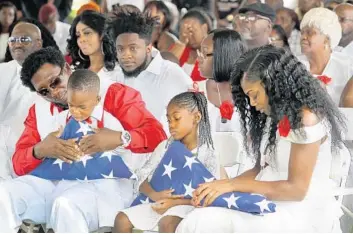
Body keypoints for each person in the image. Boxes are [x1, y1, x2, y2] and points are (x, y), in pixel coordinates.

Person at [176, 45, 346, 233]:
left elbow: (297, 190)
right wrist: (220, 188)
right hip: (265, 198)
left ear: (275, 85)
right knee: (197, 218)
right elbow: (260, 169)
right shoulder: (274, 116)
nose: (253, 103)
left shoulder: (307, 119)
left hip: (295, 210)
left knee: (203, 222)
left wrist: (230, 185)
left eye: (254, 95)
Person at [0, 47, 166, 232]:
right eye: (44, 91)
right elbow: (18, 163)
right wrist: (39, 150)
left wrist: (121, 138)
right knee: (3, 194)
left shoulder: (111, 93)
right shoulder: (38, 111)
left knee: (66, 205)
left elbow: (157, 135)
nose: (53, 92)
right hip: (54, 182)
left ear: (66, 69)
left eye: (55, 82)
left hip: (106, 184)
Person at [114, 91, 227, 233]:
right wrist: (155, 195)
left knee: (167, 223)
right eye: (168, 120)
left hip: (190, 206)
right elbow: (141, 178)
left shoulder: (208, 152)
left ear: (196, 117)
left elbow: (210, 194)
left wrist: (174, 202)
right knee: (121, 218)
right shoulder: (165, 147)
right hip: (158, 202)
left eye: (177, 119)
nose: (171, 125)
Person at [109, 11, 192, 130]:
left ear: (148, 48)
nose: (125, 55)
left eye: (133, 48)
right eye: (120, 49)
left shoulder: (172, 75)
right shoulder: (114, 75)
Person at [299, 7, 353, 106]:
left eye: (310, 33)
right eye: (302, 32)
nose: (303, 37)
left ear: (327, 39)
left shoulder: (347, 67)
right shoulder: (293, 65)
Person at [198, 29, 247, 133]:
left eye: (205, 53)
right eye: (200, 52)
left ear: (224, 55)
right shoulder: (195, 91)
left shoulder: (252, 94)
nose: (199, 59)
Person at [67, 10, 119, 81]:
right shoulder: (74, 70)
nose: (82, 39)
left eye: (87, 33)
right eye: (78, 35)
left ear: (102, 34)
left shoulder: (118, 71)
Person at [169, 8, 212, 83]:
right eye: (183, 31)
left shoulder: (214, 52)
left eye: (191, 31)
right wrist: (181, 43)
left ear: (204, 28)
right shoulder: (180, 47)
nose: (187, 35)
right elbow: (165, 68)